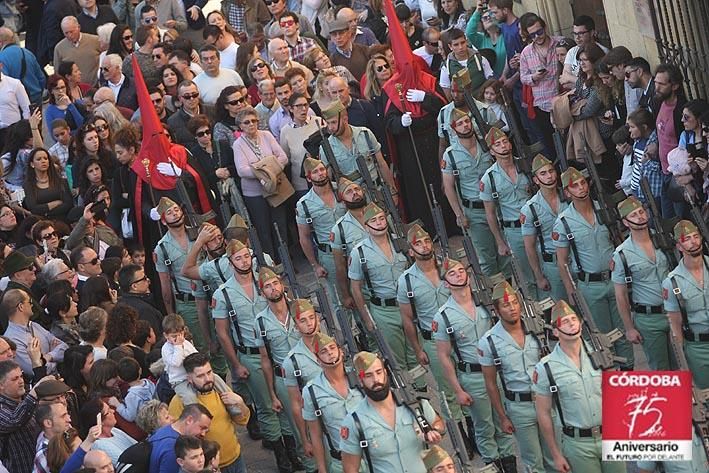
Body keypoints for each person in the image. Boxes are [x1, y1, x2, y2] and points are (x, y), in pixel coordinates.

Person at [433, 257, 517, 470]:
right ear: (445, 283)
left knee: (504, 420)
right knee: (484, 427)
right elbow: (444, 356)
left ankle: (509, 465)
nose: (459, 275)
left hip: (498, 372)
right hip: (473, 375)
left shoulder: (486, 304)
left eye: (461, 270)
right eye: (452, 273)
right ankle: (492, 465)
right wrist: (457, 390)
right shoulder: (444, 317)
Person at [553, 167, 634, 369]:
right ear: (567, 192)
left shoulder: (603, 209)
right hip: (590, 285)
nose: (581, 188)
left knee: (624, 332)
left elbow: (618, 239)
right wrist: (570, 290)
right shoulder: (563, 222)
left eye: (583, 183)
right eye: (575, 186)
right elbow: (562, 260)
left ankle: (629, 378)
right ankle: (611, 378)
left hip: (615, 280)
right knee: (604, 337)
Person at [534, 300, 625, 473]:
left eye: (573, 319)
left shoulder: (600, 355)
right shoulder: (547, 367)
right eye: (565, 322)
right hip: (578, 444)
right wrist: (555, 454)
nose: (571, 324)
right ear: (555, 331)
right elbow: (543, 412)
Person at [479, 281, 556, 471]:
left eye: (515, 303)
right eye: (506, 305)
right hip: (518, 406)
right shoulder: (489, 342)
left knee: (555, 456)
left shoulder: (536, 328)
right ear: (497, 311)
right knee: (533, 462)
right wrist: (503, 417)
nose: (512, 308)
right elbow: (490, 383)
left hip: (546, 401)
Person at [396, 224, 465, 429]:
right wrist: (418, 349)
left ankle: (472, 423)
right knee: (447, 390)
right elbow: (407, 318)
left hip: (460, 335)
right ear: (410, 251)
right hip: (433, 341)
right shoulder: (406, 281)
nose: (425, 246)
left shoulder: (449, 269)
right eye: (418, 243)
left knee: (468, 382)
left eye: (427, 241)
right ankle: (459, 430)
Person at [339, 351, 445, 473]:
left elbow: (438, 422)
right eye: (368, 376)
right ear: (360, 380)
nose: (376, 380)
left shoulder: (415, 404)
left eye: (378, 372)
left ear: (385, 373)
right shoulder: (354, 421)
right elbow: (350, 468)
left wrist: (434, 431)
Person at [349, 203, 415, 373]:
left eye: (381, 218)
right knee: (396, 359)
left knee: (416, 354)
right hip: (384, 310)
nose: (379, 223)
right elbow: (355, 287)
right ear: (366, 226)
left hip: (408, 305)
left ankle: (422, 392)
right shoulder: (359, 252)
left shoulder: (400, 242)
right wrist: (366, 318)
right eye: (373, 220)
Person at [153, 198, 218, 366]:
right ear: (163, 220)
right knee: (202, 348)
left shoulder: (198, 234)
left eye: (176, 209)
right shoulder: (162, 249)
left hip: (211, 295)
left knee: (221, 343)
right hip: (188, 302)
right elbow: (165, 287)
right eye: (169, 212)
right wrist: (171, 314)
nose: (175, 214)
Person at [253, 267, 305, 472]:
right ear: (262, 292)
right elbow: (265, 359)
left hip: (309, 372)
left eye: (275, 283)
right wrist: (272, 393)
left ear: (282, 285)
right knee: (296, 425)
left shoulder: (299, 309)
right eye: (267, 286)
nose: (273, 288)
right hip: (284, 377)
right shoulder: (261, 322)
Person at [167, 353, 251, 473]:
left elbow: (243, 421)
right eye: (200, 376)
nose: (207, 379)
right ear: (189, 379)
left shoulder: (221, 391)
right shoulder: (179, 402)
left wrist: (240, 403)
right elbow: (178, 441)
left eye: (209, 372)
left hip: (236, 459)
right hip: (209, 468)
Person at [441, 108, 498, 276]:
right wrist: (459, 214)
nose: (465, 126)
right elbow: (449, 187)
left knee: (506, 254)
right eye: (460, 124)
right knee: (486, 258)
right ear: (453, 128)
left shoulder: (486, 144)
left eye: (467, 121)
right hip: (474, 211)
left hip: (496, 207)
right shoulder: (450, 155)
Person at [479, 127, 534, 292]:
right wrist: (500, 242)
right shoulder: (488, 179)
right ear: (492, 151)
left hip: (537, 224)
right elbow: (490, 214)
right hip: (514, 229)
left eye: (505, 141)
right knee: (528, 275)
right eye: (498, 144)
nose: (503, 146)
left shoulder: (525, 166)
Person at [301, 331, 363, 472]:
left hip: (373, 457)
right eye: (323, 351)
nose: (330, 353)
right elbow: (316, 435)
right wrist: (322, 469)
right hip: (341, 462)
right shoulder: (312, 391)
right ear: (317, 359)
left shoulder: (359, 378)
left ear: (340, 352)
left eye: (332, 348)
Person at [233, 107, 289, 260]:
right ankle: (271, 262)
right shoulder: (238, 145)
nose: (251, 124)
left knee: (280, 225)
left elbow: (283, 157)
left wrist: (262, 168)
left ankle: (285, 260)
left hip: (275, 188)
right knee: (264, 229)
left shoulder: (266, 135)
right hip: (255, 194)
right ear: (240, 126)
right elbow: (242, 170)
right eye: (247, 122)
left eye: (254, 121)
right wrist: (267, 170)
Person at [662, 220, 709, 389]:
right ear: (679, 246)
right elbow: (675, 324)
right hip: (697, 348)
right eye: (687, 239)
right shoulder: (672, 282)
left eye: (696, 236)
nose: (693, 242)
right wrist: (681, 360)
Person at [519, 155, 568, 301]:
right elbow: (530, 246)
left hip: (578, 258)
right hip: (552, 264)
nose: (549, 176)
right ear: (536, 180)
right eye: (543, 173)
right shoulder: (530, 209)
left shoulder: (568, 196)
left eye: (551, 171)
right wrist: (539, 276)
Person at [319, 100, 395, 192]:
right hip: (352, 199)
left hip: (377, 190)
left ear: (345, 119)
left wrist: (392, 190)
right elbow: (328, 179)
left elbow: (381, 163)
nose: (330, 127)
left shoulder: (365, 134)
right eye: (328, 123)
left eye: (334, 122)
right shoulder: (326, 148)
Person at [296, 158, 345, 294]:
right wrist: (315, 265)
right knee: (340, 300)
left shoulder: (341, 189)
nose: (321, 174)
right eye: (315, 172)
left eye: (322, 169)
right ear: (308, 178)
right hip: (329, 255)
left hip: (352, 247)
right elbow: (304, 238)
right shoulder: (304, 204)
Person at [519, 14, 563, 159]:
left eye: (539, 32)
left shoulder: (560, 43)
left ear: (544, 28)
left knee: (567, 144)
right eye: (532, 35)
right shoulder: (526, 52)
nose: (537, 37)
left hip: (561, 102)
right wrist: (534, 77)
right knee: (549, 146)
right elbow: (523, 77)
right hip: (540, 105)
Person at [0, 360, 54, 473]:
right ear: (1, 386)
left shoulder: (27, 398)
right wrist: (34, 393)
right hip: (20, 467)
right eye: (15, 379)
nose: (21, 381)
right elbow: (14, 420)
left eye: (21, 376)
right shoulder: (3, 408)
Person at [149, 403, 213, 473]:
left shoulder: (163, 432)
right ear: (189, 420)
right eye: (202, 428)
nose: (203, 434)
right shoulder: (172, 447)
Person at [439, 28, 494, 100]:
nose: (460, 47)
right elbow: (448, 95)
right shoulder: (446, 67)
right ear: (450, 47)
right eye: (456, 45)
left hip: (483, 103)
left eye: (462, 43)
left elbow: (491, 82)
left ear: (466, 42)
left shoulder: (481, 59)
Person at [280, 94, 318, 196]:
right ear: (291, 109)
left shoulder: (318, 122)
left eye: (306, 105)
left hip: (321, 176)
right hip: (301, 183)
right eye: (299, 106)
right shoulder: (285, 131)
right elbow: (286, 157)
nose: (304, 109)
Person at [78, 397, 136, 464]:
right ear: (99, 421)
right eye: (108, 412)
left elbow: (136, 444)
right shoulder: (99, 444)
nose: (113, 411)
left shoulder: (114, 430)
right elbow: (125, 463)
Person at [559, 15, 609, 89]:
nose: (577, 37)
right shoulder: (572, 52)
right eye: (574, 34)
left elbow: (598, 84)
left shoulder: (603, 51)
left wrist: (570, 78)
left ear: (592, 33)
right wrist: (583, 85)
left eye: (581, 33)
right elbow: (564, 83)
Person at [23, 148, 74, 221]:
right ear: (32, 164)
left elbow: (68, 204)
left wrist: (46, 213)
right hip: (42, 223)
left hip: (62, 220)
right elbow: (33, 209)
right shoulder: (28, 185)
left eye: (45, 158)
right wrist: (55, 203)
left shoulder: (61, 181)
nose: (43, 161)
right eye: (39, 159)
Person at [0, 28, 46, 105]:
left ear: (0, 43)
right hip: (35, 98)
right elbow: (41, 78)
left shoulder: (2, 58)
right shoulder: (28, 53)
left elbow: (4, 85)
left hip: (17, 103)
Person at [117, 264, 163, 336]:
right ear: (134, 286)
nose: (148, 280)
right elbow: (154, 337)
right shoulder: (145, 310)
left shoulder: (120, 303)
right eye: (144, 278)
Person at [53, 16, 101, 85]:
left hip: (94, 87)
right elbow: (57, 73)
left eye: (72, 32)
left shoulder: (95, 41)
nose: (70, 35)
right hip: (74, 90)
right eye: (66, 33)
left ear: (79, 27)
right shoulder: (59, 48)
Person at [466, 2, 506, 77]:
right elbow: (469, 32)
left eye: (491, 15)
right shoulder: (481, 39)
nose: (488, 18)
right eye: (484, 18)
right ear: (482, 23)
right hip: (491, 80)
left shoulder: (505, 33)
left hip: (508, 76)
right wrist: (478, 11)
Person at [33, 401, 74, 473]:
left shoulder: (67, 437)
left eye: (67, 414)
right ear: (48, 423)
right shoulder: (44, 454)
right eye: (63, 416)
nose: (69, 419)